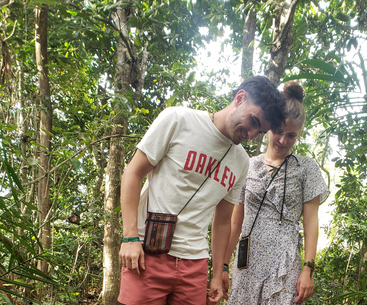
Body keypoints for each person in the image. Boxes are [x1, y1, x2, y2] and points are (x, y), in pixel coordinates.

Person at [117, 76, 286, 305]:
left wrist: (218, 274)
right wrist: (129, 237)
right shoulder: (177, 120)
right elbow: (133, 174)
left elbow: (223, 221)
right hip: (149, 253)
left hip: (194, 264)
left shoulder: (241, 161)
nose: (251, 134)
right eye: (253, 121)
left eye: (260, 131)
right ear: (239, 98)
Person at [223, 81, 329, 305]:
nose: (283, 140)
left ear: (298, 135)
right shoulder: (247, 165)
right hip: (247, 261)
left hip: (284, 263)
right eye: (279, 132)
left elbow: (311, 223)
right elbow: (236, 221)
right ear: (269, 127)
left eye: (291, 135)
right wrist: (222, 266)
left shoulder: (306, 168)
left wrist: (308, 269)